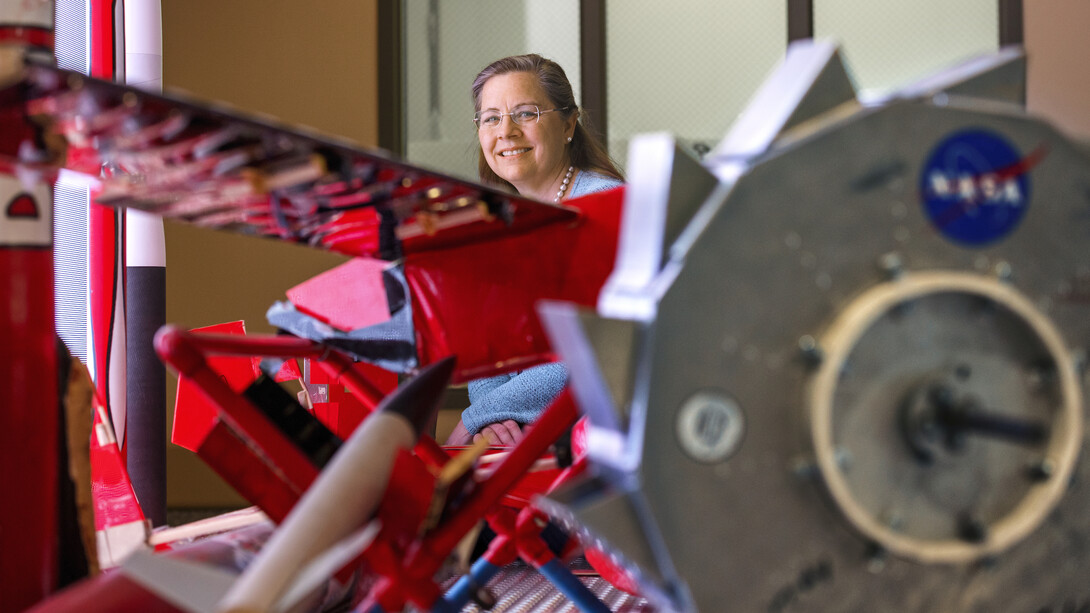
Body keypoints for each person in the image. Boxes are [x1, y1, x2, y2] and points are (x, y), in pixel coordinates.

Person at [446, 54, 623, 446]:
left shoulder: (606, 204)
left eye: (525, 113)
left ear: (568, 125)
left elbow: (597, 341)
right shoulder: (499, 223)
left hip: (598, 430)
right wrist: (492, 420)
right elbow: (488, 343)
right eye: (491, 118)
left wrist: (483, 417)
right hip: (525, 430)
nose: (505, 131)